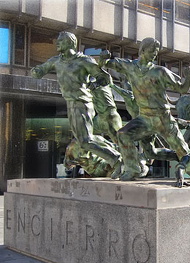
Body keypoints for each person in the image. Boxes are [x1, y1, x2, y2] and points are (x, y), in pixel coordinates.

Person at [99, 37, 190, 181]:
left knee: (181, 149)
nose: (154, 54)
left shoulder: (160, 71)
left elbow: (181, 88)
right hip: (144, 118)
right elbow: (106, 64)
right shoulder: (129, 66)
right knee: (123, 134)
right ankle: (132, 169)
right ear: (142, 51)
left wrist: (188, 78)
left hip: (163, 118)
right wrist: (103, 59)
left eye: (156, 52)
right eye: (151, 51)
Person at [31, 31, 122, 177]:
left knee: (85, 141)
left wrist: (94, 85)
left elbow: (104, 78)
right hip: (71, 103)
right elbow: (41, 70)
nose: (57, 43)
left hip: (83, 103)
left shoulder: (84, 60)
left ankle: (116, 160)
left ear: (70, 43)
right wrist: (36, 72)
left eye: (61, 41)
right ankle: (109, 160)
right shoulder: (56, 61)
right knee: (82, 140)